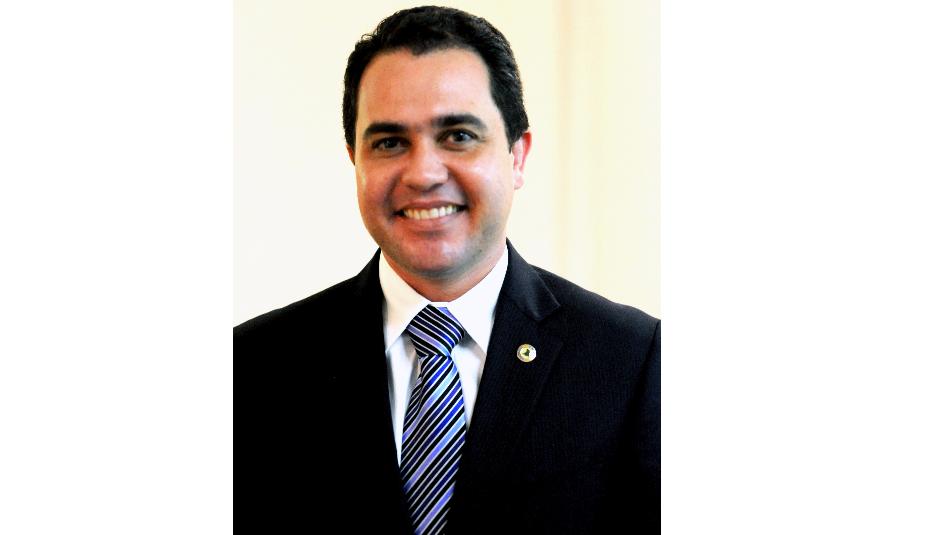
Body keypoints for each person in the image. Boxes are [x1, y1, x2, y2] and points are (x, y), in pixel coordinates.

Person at [235, 6, 659, 533]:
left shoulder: (633, 361)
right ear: (355, 161)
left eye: (458, 135)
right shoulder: (250, 368)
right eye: (390, 143)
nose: (423, 173)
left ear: (517, 156)